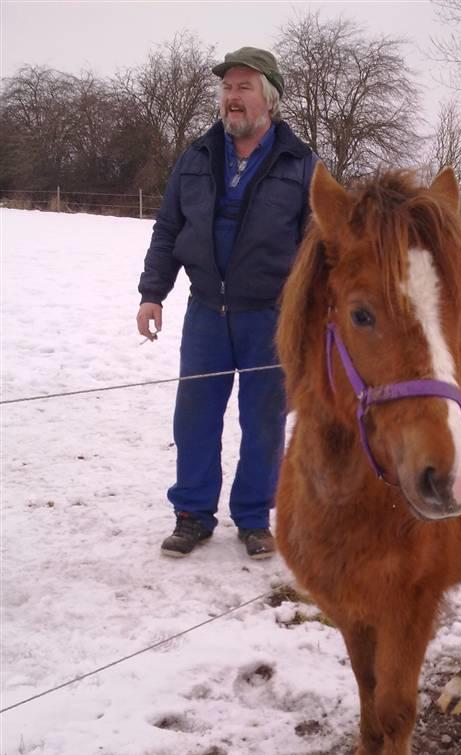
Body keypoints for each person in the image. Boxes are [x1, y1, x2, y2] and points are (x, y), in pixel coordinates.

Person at [136, 47, 316, 560]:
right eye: (227, 88)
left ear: (269, 99)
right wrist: (152, 294)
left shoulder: (302, 164)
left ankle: (255, 518)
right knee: (194, 417)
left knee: (263, 422)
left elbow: (318, 248)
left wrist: (311, 318)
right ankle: (192, 515)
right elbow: (169, 228)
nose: (232, 98)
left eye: (244, 88)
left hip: (270, 318)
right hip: (205, 312)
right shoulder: (196, 156)